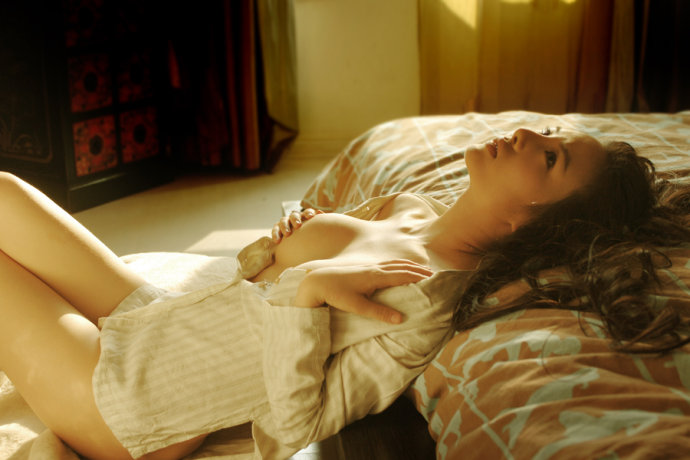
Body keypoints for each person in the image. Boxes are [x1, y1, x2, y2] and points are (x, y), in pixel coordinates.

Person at [0, 127, 686, 460]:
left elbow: (296, 425)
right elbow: (255, 273)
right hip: (158, 320)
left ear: (531, 221)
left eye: (551, 157)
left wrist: (306, 298)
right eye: (554, 135)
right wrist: (282, 246)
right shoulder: (411, 207)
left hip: (131, 403)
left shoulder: (421, 300)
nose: (531, 133)